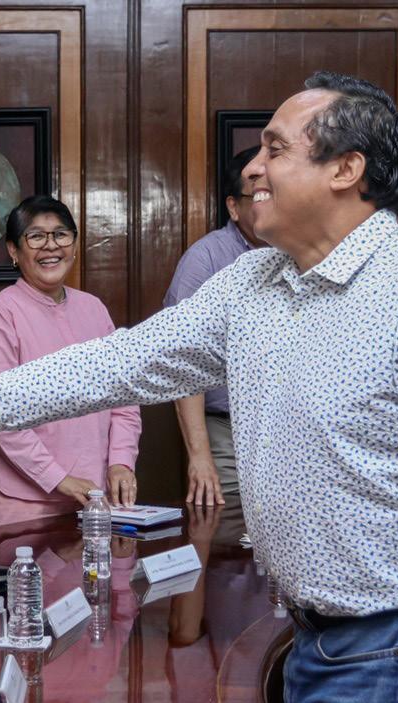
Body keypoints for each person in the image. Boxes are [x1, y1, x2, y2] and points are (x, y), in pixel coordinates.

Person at [0, 71, 398, 703]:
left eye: (276, 149)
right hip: (310, 635)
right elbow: (116, 364)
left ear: (345, 169)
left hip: (396, 644)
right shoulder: (253, 281)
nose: (255, 170)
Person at [0, 195, 140, 528]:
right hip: (20, 503)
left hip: (94, 498)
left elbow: (125, 396)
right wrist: (58, 477)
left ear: (74, 245)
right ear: (14, 251)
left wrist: (121, 461)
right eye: (36, 237)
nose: (51, 246)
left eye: (61, 235)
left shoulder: (94, 309)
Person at [164, 145, 263, 506]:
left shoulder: (302, 253)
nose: (271, 202)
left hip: (293, 431)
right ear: (233, 207)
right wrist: (200, 455)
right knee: (231, 525)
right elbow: (183, 359)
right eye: (259, 195)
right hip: (226, 429)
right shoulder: (206, 259)